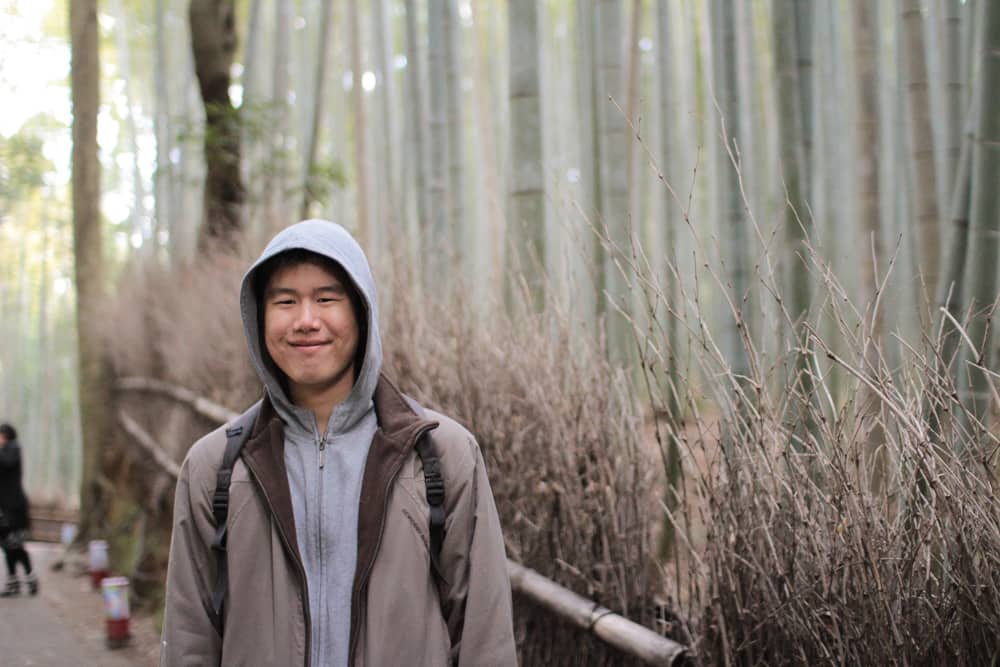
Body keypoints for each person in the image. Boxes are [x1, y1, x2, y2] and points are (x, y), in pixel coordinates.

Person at [161, 219, 516, 666]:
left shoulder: (441, 456)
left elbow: (485, 637)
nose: (306, 321)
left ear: (361, 311)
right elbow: (189, 637)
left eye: (327, 299)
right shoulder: (216, 467)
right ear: (259, 318)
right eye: (285, 301)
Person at [0, 422, 37, 597]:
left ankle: (30, 577)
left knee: (15, 544)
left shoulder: (13, 448)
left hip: (14, 507)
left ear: (6, 436)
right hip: (4, 507)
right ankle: (13, 581)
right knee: (7, 545)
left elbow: (7, 462)